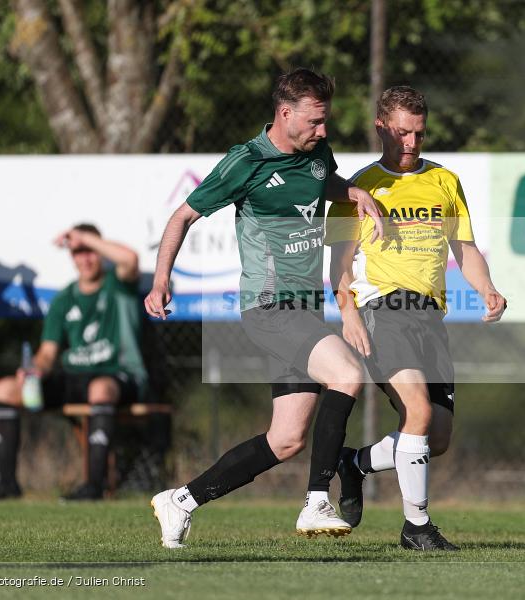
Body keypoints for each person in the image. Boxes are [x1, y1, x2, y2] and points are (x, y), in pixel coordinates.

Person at [145, 68, 383, 548]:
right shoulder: (246, 161)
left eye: (326, 121)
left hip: (306, 311)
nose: (323, 130)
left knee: (287, 440)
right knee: (347, 374)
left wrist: (352, 191)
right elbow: (183, 215)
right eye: (315, 121)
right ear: (285, 113)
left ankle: (181, 501)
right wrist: (160, 279)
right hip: (270, 307)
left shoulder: (316, 153)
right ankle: (317, 500)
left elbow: (324, 182)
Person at [325, 86, 507, 551]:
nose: (410, 142)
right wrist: (347, 311)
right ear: (381, 126)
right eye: (402, 132)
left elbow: (464, 250)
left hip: (429, 317)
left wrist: (486, 289)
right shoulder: (357, 187)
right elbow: (339, 264)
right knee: (419, 413)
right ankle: (417, 528)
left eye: (419, 134)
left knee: (437, 437)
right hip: (382, 310)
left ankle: (356, 463)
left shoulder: (445, 181)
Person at [0, 224, 147, 500]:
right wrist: (34, 370)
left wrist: (85, 238)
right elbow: (47, 354)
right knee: (3, 389)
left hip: (118, 376)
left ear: (99, 251)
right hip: (74, 377)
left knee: (100, 389)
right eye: (78, 253)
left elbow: (130, 259)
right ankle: (7, 485)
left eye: (90, 251)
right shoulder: (63, 299)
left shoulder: (118, 284)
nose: (85, 259)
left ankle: (94, 487)